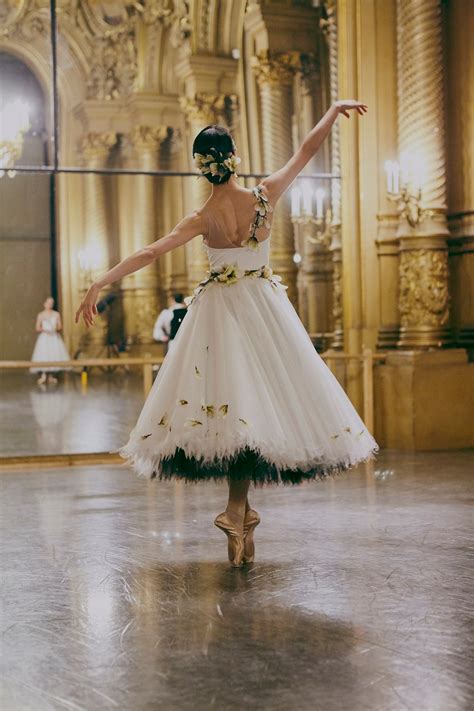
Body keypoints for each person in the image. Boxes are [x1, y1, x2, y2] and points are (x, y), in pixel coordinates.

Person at [75, 99, 377, 567]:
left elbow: (151, 252)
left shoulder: (201, 218)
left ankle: (239, 512)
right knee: (254, 409)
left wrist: (100, 281)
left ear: (201, 169)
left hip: (218, 315)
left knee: (233, 408)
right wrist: (332, 110)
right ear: (233, 156)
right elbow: (304, 150)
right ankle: (240, 513)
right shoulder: (264, 197)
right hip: (266, 309)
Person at [30, 297, 71, 385]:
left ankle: (51, 376)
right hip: (45, 337)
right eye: (48, 303)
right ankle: (44, 375)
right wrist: (45, 330)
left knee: (53, 354)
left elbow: (60, 326)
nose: (50, 305)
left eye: (51, 303)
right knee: (44, 354)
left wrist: (54, 328)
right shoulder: (41, 315)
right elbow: (37, 327)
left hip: (54, 337)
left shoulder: (56, 314)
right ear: (44, 304)